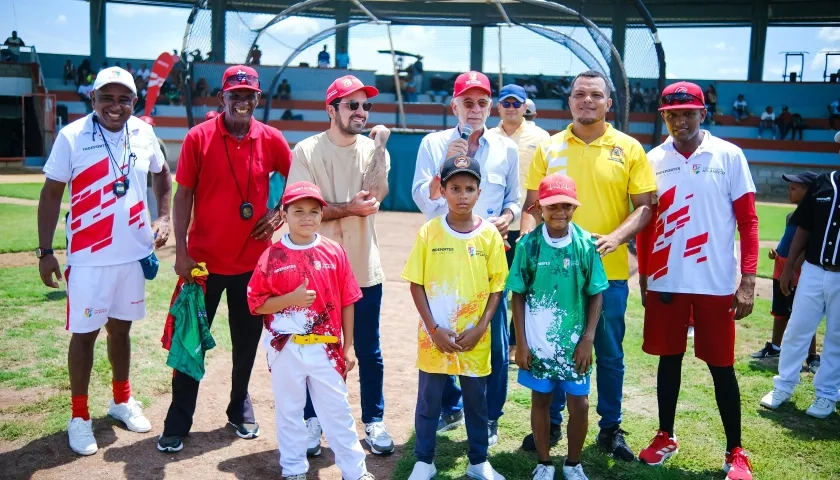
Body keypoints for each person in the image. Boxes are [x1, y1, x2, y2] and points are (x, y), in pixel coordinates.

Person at [519, 70, 655, 460]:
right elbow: (532, 206)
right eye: (580, 94)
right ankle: (553, 423)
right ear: (570, 101)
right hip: (552, 276)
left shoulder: (629, 148)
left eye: (596, 94)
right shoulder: (549, 147)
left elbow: (645, 207)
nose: (587, 100)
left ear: (608, 103)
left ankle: (610, 428)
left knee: (608, 353)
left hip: (607, 274)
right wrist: (528, 246)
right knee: (552, 346)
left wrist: (616, 238)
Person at [37, 66, 173, 456]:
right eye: (107, 98)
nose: (116, 106)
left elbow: (163, 174)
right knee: (85, 335)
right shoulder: (72, 136)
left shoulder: (144, 132)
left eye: (124, 98)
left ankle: (121, 400)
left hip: (132, 254)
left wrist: (164, 217)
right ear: (93, 99)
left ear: (134, 101)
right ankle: (79, 416)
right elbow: (51, 194)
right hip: (89, 257)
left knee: (121, 332)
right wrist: (45, 251)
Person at [158, 65, 293, 452]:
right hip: (202, 264)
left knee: (246, 342)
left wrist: (280, 210)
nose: (242, 102)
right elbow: (183, 196)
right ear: (223, 98)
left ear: (258, 99)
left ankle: (239, 406)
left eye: (249, 95)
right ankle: (178, 418)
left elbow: (298, 178)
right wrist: (182, 252)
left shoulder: (271, 139)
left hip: (252, 264)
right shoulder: (198, 137)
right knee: (189, 340)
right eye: (235, 95)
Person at [635, 82, 758, 480]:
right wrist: (645, 275)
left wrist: (748, 280)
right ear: (664, 117)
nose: (680, 121)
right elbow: (646, 223)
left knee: (722, 367)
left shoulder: (729, 155)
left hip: (715, 284)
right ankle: (665, 435)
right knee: (668, 360)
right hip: (668, 281)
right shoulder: (653, 159)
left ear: (703, 114)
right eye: (672, 115)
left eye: (688, 113)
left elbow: (748, 221)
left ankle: (735, 450)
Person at [287, 74, 395, 456]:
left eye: (366, 105)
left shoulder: (374, 149)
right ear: (331, 110)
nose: (361, 111)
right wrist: (348, 208)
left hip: (364, 267)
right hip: (318, 272)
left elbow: (376, 196)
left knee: (368, 349)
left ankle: (374, 420)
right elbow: (303, 210)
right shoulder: (306, 151)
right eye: (352, 105)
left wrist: (380, 147)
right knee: (315, 348)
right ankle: (312, 420)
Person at [411, 70, 520, 446]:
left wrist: (507, 217)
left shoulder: (506, 148)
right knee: (441, 331)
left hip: (487, 256)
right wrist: (444, 165)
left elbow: (514, 199)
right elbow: (422, 200)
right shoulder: (432, 143)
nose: (475, 109)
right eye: (467, 102)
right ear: (453, 105)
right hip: (442, 258)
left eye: (482, 102)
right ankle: (448, 406)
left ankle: (489, 417)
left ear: (490, 107)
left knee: (493, 339)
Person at [247, 182, 375, 480]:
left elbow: (348, 301)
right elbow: (256, 304)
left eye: (314, 211)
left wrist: (348, 347)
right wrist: (290, 299)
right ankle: (293, 469)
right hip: (285, 348)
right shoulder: (272, 256)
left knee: (338, 412)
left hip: (326, 348)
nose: (307, 217)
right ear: (284, 214)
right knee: (289, 412)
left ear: (321, 214)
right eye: (299, 211)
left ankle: (355, 472)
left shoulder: (334, 252)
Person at [402, 154, 508, 480]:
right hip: (435, 337)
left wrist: (481, 326)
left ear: (479, 192)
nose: (463, 195)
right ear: (443, 191)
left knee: (477, 402)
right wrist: (433, 328)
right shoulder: (429, 232)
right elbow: (416, 284)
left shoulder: (489, 235)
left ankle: (478, 461)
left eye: (469, 189)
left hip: (474, 338)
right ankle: (424, 460)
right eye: (455, 188)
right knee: (428, 400)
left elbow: (497, 287)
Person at [508, 173, 608, 480]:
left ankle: (573, 463)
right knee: (540, 401)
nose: (560, 212)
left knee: (580, 404)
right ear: (539, 207)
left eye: (566, 205)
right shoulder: (528, 245)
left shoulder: (586, 244)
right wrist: (521, 343)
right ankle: (544, 463)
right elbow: (518, 295)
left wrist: (587, 340)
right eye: (552, 206)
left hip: (575, 345)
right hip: (537, 344)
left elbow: (596, 294)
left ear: (575, 207)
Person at [760, 163, 840, 419]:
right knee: (797, 328)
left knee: (836, 337)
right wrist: (788, 268)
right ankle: (783, 385)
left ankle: (827, 394)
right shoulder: (823, 183)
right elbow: (804, 227)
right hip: (814, 270)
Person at [491, 84, 549, 362]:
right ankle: (496, 341)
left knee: (526, 286)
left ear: (525, 107)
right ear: (498, 107)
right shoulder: (488, 137)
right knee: (495, 286)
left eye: (517, 104)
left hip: (530, 224)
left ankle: (517, 343)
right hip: (496, 225)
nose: (512, 108)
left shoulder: (541, 137)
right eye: (507, 103)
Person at [751, 172, 820, 374]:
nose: (788, 191)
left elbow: (807, 247)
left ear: (809, 191)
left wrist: (792, 269)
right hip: (780, 268)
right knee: (780, 311)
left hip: (796, 271)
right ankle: (774, 347)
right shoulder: (792, 216)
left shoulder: (815, 216)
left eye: (794, 188)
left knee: (803, 314)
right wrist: (777, 252)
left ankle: (812, 356)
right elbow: (789, 241)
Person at [137, 115, 168, 222]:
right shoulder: (130, 141)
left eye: (149, 126)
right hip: (136, 185)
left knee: (155, 214)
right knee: (136, 215)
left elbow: (163, 164)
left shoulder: (157, 142)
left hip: (152, 184)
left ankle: (154, 232)